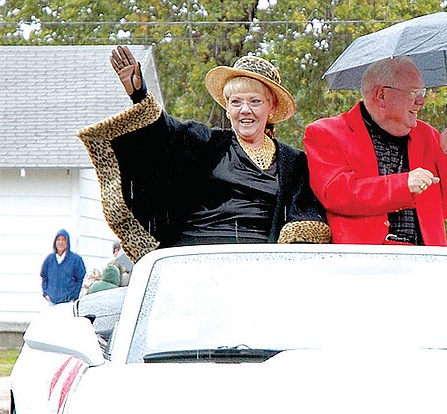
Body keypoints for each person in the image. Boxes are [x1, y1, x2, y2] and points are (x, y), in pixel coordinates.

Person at [78, 46, 330, 262]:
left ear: (271, 107)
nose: (245, 110)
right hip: (194, 257)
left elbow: (305, 214)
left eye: (255, 101)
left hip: (258, 264)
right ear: (228, 107)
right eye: (236, 102)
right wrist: (139, 93)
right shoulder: (205, 142)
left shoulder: (293, 162)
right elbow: (164, 135)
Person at [303, 57, 447, 245]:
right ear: (381, 95)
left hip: (426, 261)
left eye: (422, 92)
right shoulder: (325, 133)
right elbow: (336, 194)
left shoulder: (430, 137)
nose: (421, 101)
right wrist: (402, 185)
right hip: (365, 262)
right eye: (414, 92)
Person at [40, 229, 87, 305]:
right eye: (58, 240)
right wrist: (46, 294)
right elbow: (44, 278)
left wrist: (74, 297)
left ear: (67, 242)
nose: (60, 242)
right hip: (52, 302)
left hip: (69, 303)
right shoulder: (49, 259)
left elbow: (81, 279)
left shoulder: (76, 259)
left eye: (63, 240)